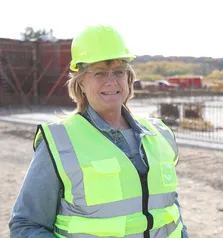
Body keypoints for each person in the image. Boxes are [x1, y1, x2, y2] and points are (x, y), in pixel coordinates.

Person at [9, 24, 189, 238]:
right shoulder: (59, 143)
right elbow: (26, 225)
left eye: (119, 72)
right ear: (81, 83)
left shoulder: (159, 134)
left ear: (128, 79)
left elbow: (170, 210)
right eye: (100, 73)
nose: (111, 81)